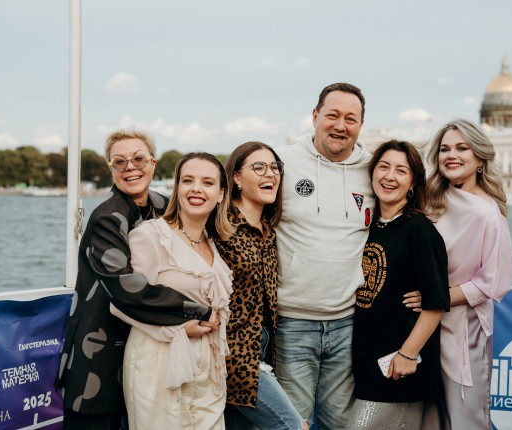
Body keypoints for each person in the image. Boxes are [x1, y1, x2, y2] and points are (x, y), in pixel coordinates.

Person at [56, 130, 216, 430]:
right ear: (111, 169)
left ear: (153, 163)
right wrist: (196, 311)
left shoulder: (165, 206)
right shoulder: (107, 217)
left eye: (139, 159)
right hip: (99, 359)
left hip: (148, 355)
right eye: (120, 161)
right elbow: (126, 287)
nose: (130, 167)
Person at [274, 82, 374, 429]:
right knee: (294, 422)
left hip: (349, 322)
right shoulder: (280, 162)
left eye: (351, 119)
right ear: (315, 115)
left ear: (361, 125)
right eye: (332, 115)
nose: (340, 126)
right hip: (292, 321)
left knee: (340, 424)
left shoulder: (375, 171)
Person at [110, 152, 234, 429]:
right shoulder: (151, 235)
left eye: (207, 182)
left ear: (221, 194)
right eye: (188, 181)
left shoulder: (211, 243)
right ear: (177, 189)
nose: (196, 189)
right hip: (159, 361)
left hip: (209, 368)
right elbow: (122, 302)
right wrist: (178, 328)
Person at [345, 140, 450, 430]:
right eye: (384, 167)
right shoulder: (368, 227)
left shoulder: (420, 230)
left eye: (401, 171)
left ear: (413, 182)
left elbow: (436, 304)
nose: (390, 176)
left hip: (397, 369)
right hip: (364, 365)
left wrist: (407, 354)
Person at [421, 119, 512, 430]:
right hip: (420, 325)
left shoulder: (488, 214)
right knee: (428, 419)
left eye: (462, 148)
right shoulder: (429, 201)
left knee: (465, 418)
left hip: (464, 329)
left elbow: (493, 282)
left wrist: (435, 298)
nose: (452, 155)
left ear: (479, 158)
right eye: (445, 149)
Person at [216, 141, 308, 430]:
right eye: (258, 167)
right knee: (293, 426)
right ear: (236, 177)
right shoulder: (219, 226)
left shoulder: (268, 230)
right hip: (234, 353)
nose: (270, 173)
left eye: (274, 167)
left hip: (265, 346)